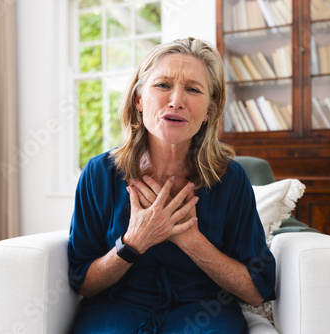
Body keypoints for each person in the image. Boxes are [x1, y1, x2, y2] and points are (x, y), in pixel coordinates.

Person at [68, 37, 276, 334]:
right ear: (138, 99)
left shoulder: (230, 179)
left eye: (193, 89)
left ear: (208, 111)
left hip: (204, 311)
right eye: (163, 85)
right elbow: (83, 283)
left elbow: (257, 290)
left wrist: (190, 240)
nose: (176, 100)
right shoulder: (99, 173)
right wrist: (133, 244)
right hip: (115, 308)